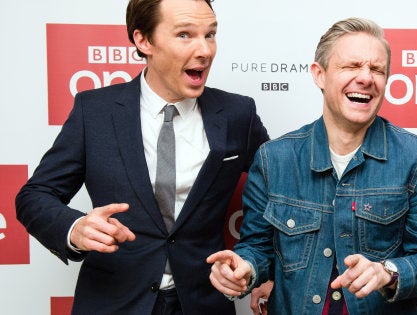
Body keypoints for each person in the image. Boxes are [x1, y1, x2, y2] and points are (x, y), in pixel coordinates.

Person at [15, 0, 269, 314]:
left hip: (204, 302)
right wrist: (74, 228)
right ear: (143, 40)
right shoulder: (94, 111)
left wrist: (259, 266)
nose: (205, 50)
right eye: (185, 35)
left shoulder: (238, 113)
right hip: (114, 300)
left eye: (210, 34)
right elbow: (35, 195)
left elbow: (278, 192)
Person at [207, 17, 417, 314]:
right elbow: (257, 248)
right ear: (319, 75)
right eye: (351, 66)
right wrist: (244, 268)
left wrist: (387, 272)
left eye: (377, 69)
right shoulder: (274, 158)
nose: (366, 78)